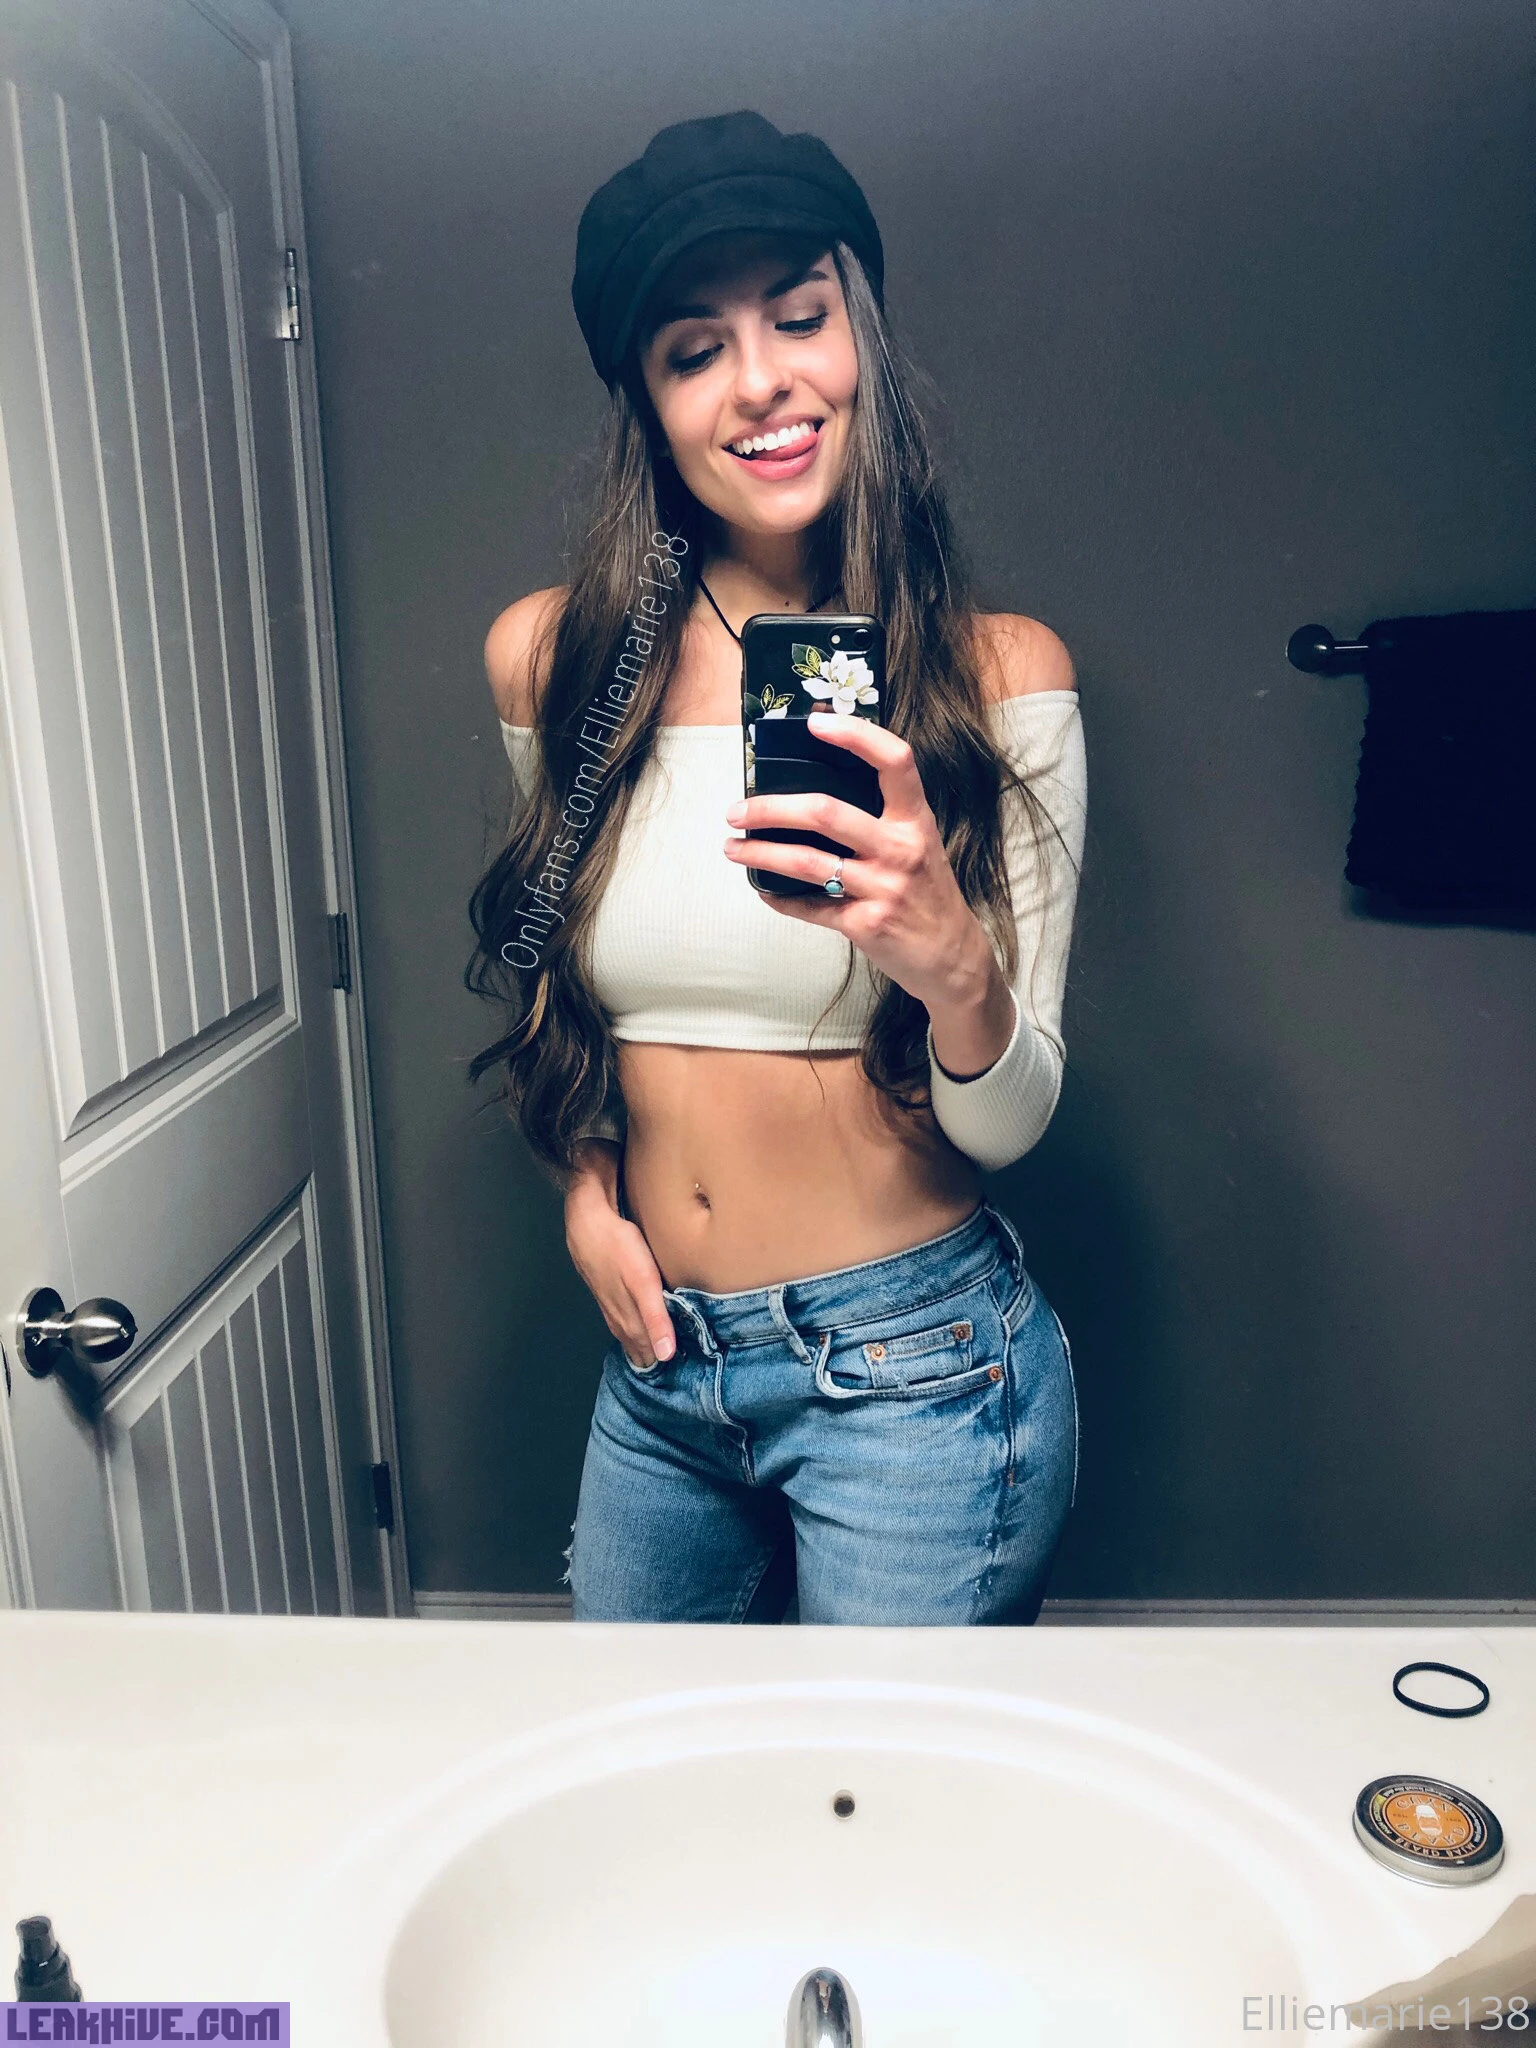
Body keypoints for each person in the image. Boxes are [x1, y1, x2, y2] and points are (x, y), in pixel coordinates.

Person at [467, 111, 1087, 1625]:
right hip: (662, 1373)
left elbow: (1010, 1124)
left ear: (859, 339)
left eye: (800, 319)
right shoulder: (558, 659)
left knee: (870, 1778)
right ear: (652, 405)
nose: (760, 382)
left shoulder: (999, 674)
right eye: (696, 350)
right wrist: (586, 1196)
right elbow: (562, 999)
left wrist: (950, 961)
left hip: (916, 1372)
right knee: (645, 1757)